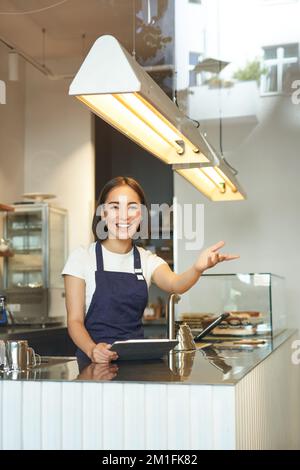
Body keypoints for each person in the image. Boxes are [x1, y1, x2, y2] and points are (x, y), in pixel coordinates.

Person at [62, 176, 239, 365]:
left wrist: (197, 268)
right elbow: (74, 321)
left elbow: (175, 284)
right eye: (115, 207)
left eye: (132, 207)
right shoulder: (81, 258)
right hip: (95, 364)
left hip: (137, 364)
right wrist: (92, 349)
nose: (124, 215)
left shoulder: (146, 259)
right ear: (103, 213)